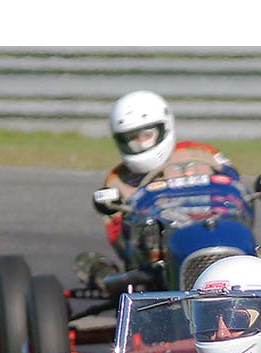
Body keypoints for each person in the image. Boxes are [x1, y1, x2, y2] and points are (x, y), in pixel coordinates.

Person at [95, 90, 239, 248]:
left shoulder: (202, 154)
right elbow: (120, 239)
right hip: (159, 252)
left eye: (147, 135)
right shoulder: (118, 180)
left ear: (164, 128)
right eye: (132, 139)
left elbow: (235, 188)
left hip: (213, 233)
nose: (141, 143)